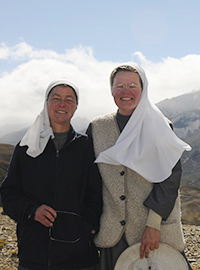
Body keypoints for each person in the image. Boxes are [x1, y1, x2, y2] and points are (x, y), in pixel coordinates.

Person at [86, 64, 192, 270]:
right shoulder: (97, 127)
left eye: (132, 85)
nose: (125, 92)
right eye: (119, 86)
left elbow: (169, 180)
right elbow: (92, 181)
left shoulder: (160, 125)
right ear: (111, 91)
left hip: (155, 232)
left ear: (143, 90)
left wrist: (153, 223)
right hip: (113, 235)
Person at [0, 79, 102, 270]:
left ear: (76, 106)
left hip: (80, 258)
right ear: (46, 103)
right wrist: (32, 210)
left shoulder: (86, 147)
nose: (62, 104)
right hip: (34, 256)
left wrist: (85, 229)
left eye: (69, 99)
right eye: (56, 98)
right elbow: (8, 194)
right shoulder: (26, 147)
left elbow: (96, 196)